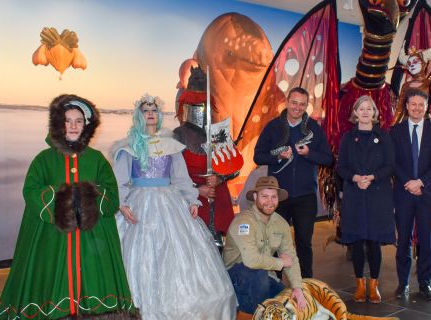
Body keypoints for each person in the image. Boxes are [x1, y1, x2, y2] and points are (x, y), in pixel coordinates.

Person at [0, 94, 137, 319]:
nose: (72, 126)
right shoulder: (43, 159)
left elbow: (111, 195)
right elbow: (31, 191)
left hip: (93, 240)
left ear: (86, 126)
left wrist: (89, 200)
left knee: (94, 287)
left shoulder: (97, 159)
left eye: (78, 121)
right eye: (67, 120)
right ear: (58, 124)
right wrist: (63, 201)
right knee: (50, 285)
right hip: (52, 239)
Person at [113, 94, 237, 319]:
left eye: (153, 111)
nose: (150, 114)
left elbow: (180, 177)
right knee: (143, 254)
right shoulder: (129, 146)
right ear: (138, 116)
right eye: (145, 111)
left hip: (169, 202)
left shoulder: (171, 145)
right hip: (140, 203)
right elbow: (119, 180)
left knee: (177, 252)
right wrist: (121, 203)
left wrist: (191, 199)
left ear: (159, 115)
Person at [254, 87, 333, 278]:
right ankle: (274, 286)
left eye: (302, 104)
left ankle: (306, 285)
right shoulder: (273, 126)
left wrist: (309, 154)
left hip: (305, 196)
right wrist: (278, 156)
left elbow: (328, 159)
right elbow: (258, 156)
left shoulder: (314, 128)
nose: (297, 108)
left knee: (304, 242)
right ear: (287, 102)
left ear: (307, 106)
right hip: (278, 197)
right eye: (294, 103)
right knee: (274, 242)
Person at [336, 95, 395, 304]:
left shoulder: (384, 136)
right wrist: (355, 178)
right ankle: (360, 285)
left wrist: (372, 177)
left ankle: (374, 285)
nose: (365, 112)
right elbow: (341, 167)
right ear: (355, 112)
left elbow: (390, 165)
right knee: (358, 241)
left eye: (369, 108)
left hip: (378, 195)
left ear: (375, 113)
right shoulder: (347, 138)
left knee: (374, 242)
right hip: (355, 194)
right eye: (361, 108)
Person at [390, 88, 431, 301]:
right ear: (406, 106)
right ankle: (402, 283)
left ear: (425, 107)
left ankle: (425, 284)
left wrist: (420, 182)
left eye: (421, 105)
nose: (417, 108)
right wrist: (408, 183)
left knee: (426, 241)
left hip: (428, 193)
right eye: (413, 104)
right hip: (403, 194)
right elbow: (393, 163)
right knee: (403, 240)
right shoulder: (395, 131)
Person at [223, 176, 307, 314]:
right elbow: (252, 260)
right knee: (258, 275)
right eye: (265, 196)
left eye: (274, 197)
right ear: (255, 196)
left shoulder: (281, 224)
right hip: (236, 277)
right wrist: (281, 262)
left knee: (287, 305)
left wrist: (297, 287)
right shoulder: (244, 222)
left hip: (264, 277)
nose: (270, 201)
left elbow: (291, 257)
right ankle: (248, 313)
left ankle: (262, 311)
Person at [173, 67, 236, 239]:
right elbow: (170, 174)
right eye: (194, 105)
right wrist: (196, 190)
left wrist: (220, 178)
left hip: (218, 198)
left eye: (202, 105)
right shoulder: (179, 134)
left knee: (220, 247)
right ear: (185, 105)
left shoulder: (219, 132)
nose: (198, 110)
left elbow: (235, 167)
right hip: (191, 200)